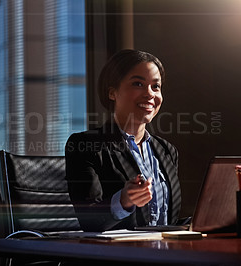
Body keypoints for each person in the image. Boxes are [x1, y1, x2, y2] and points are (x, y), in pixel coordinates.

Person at [65, 49, 181, 232]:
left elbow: (169, 220)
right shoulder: (85, 145)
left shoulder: (167, 151)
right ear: (112, 92)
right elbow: (89, 221)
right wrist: (123, 201)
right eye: (138, 84)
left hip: (167, 254)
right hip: (118, 255)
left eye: (155, 86)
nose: (150, 94)